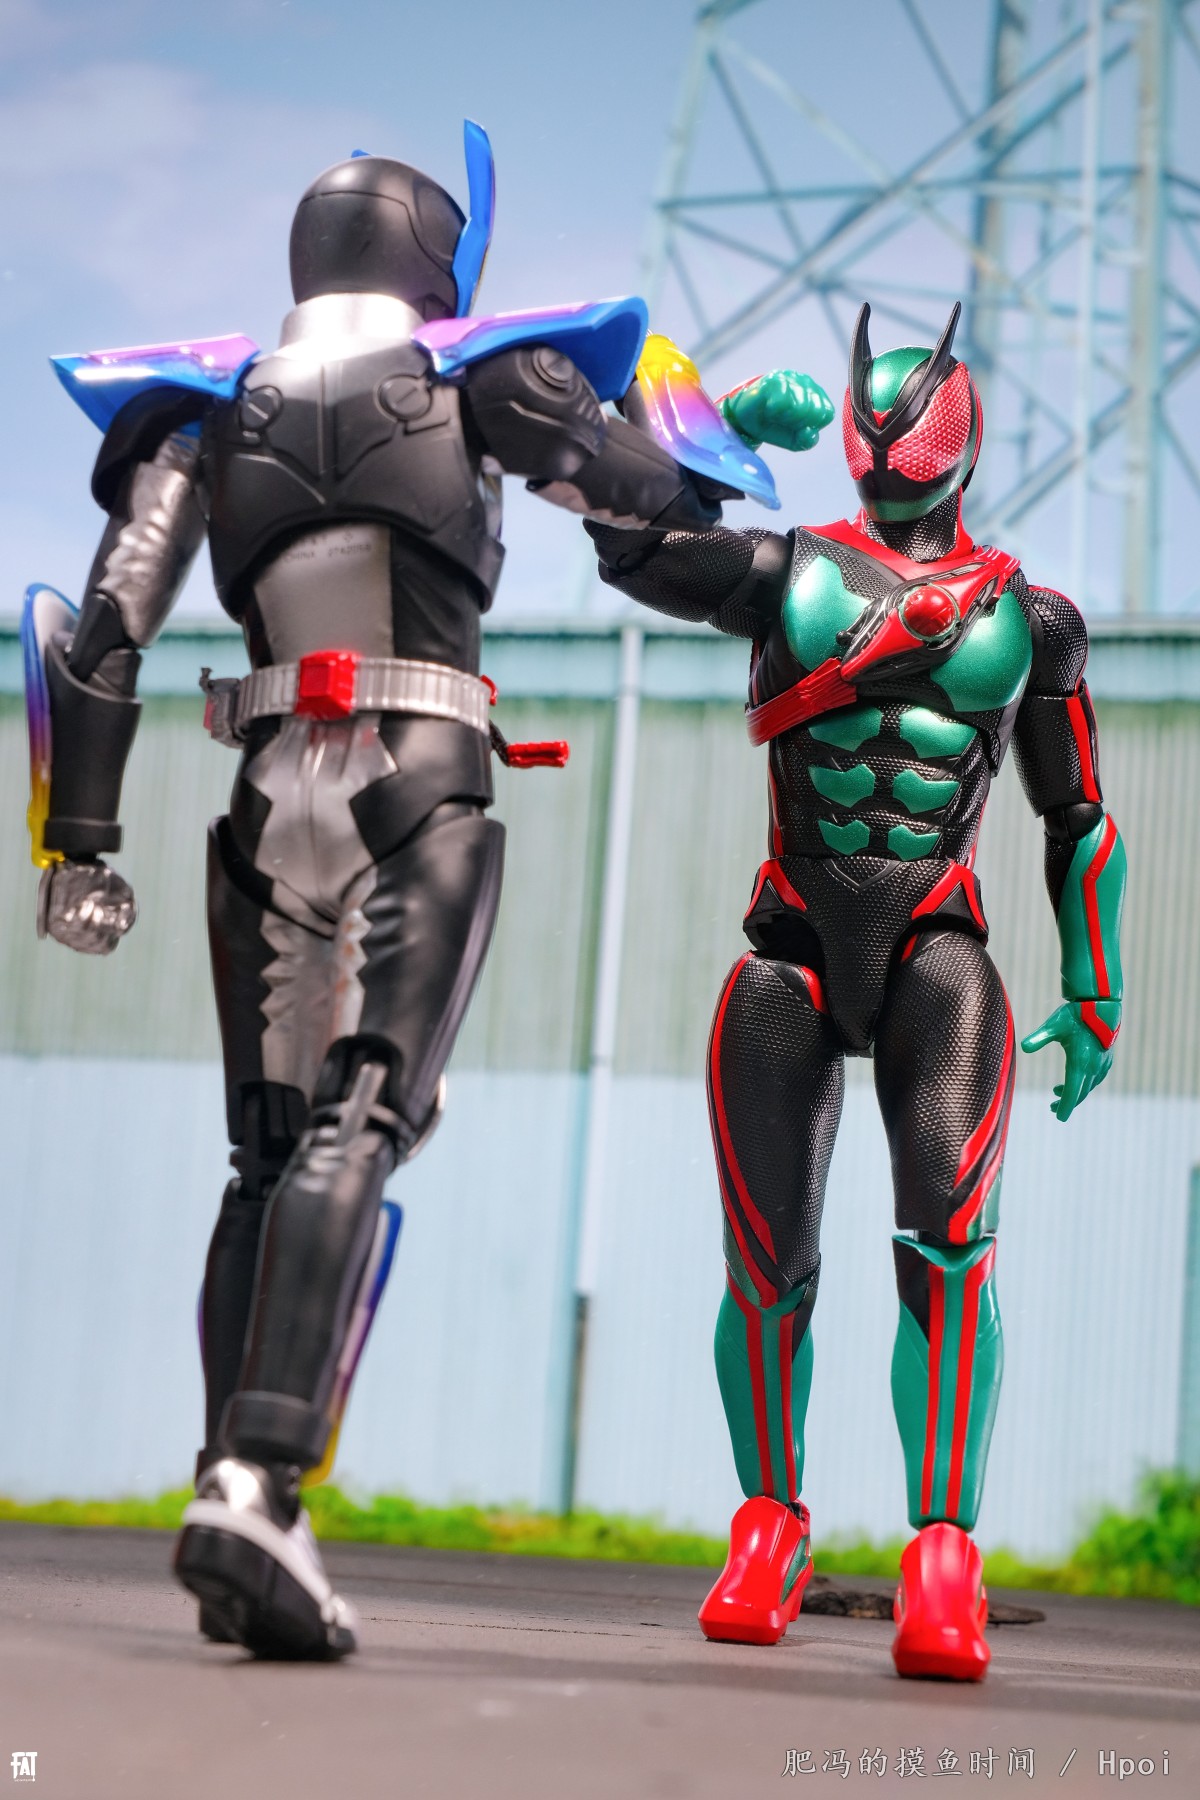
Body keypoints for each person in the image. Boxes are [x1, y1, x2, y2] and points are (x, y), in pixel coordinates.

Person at [25, 125, 720, 1660]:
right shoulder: (486, 378)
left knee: (263, 1155)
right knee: (365, 1117)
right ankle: (261, 1483)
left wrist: (79, 844)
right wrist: (700, 440)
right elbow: (650, 503)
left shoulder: (205, 410)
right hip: (418, 778)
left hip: (266, 791)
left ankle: (227, 1481)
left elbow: (101, 632)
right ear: (432, 261)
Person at [587, 301, 1126, 1680]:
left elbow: (1078, 815)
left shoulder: (1034, 621)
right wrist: (702, 430)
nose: (886, 449)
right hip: (792, 946)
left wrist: (1098, 989)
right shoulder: (787, 572)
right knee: (766, 1261)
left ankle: (942, 1556)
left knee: (946, 1250)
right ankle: (768, 1523)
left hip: (939, 950)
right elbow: (631, 541)